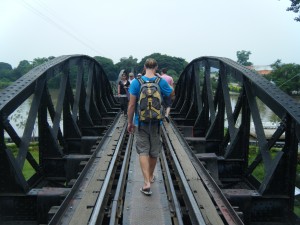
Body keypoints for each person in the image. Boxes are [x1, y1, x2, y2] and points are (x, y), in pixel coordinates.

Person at [127, 58, 173, 196]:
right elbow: (170, 94)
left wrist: (130, 122)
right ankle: (151, 175)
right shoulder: (161, 82)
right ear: (156, 67)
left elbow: (131, 105)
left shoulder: (136, 82)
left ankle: (146, 182)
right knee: (154, 151)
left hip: (140, 122)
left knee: (143, 151)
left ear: (144, 67)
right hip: (156, 122)